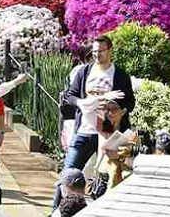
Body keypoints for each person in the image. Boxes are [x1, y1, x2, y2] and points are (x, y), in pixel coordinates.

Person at [55, 35, 136, 209]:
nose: (97, 55)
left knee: (106, 178)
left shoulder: (120, 75)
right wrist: (81, 103)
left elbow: (130, 102)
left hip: (107, 133)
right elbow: (70, 95)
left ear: (110, 51)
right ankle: (56, 210)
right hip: (84, 130)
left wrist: (120, 112)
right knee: (67, 174)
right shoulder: (84, 71)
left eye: (101, 51)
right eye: (94, 51)